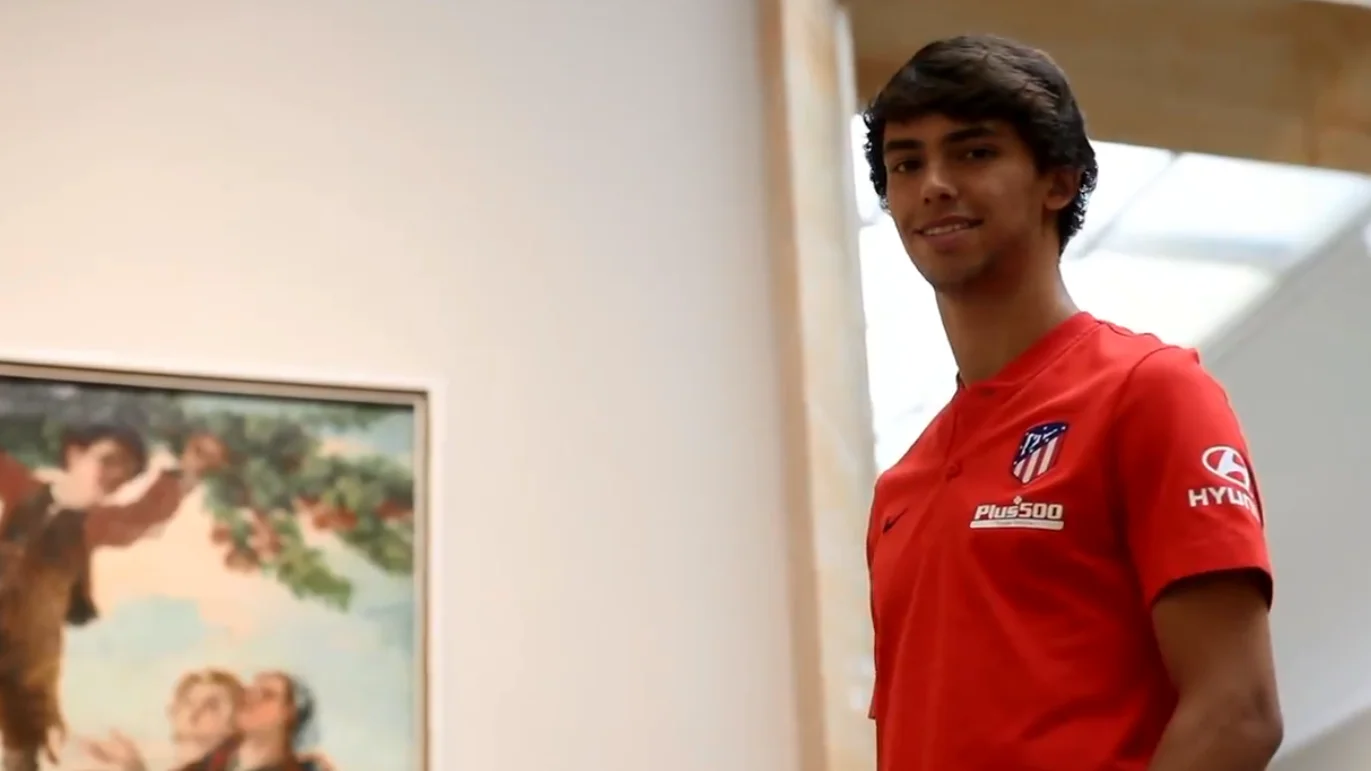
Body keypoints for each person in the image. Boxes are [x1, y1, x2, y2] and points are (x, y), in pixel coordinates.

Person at [862, 34, 1282, 771]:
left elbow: (1237, 714)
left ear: (1057, 181)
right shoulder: (902, 480)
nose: (932, 183)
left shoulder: (1149, 392)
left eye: (972, 152)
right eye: (906, 162)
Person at [0, 426, 225, 771]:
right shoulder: (22, 488)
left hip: (25, 661)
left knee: (22, 745)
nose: (113, 475)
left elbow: (144, 513)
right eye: (107, 460)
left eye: (125, 471)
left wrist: (190, 470)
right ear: (75, 454)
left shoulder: (95, 524)